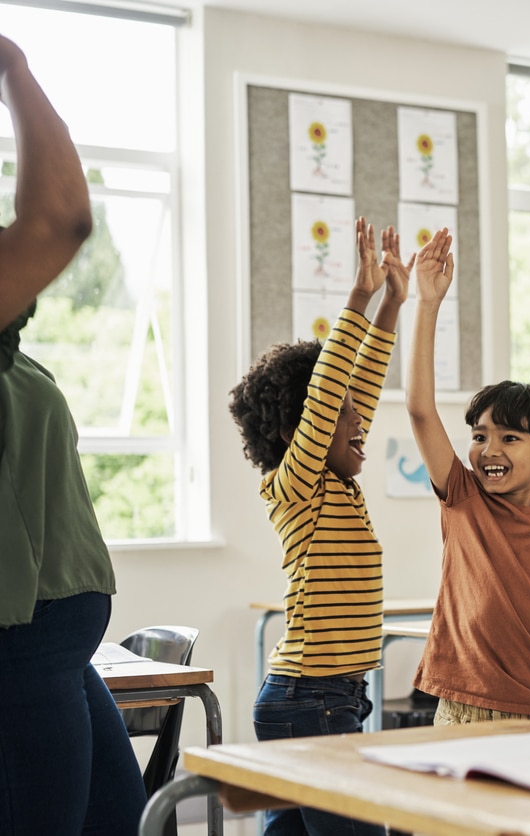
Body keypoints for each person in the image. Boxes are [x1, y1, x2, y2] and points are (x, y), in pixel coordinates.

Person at [0, 32, 149, 836]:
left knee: (117, 821)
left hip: (54, 644)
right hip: (17, 648)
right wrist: (13, 65)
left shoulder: (11, 348)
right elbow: (58, 220)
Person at [228, 218, 406, 836]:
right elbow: (332, 385)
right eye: (342, 418)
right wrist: (358, 296)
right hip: (311, 700)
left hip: (326, 697)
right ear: (293, 432)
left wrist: (393, 303)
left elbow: (358, 380)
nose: (360, 424)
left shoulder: (340, 487)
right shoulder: (297, 486)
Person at [406, 227, 530, 726]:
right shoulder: (463, 498)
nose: (489, 450)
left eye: (510, 438)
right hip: (461, 706)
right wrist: (427, 305)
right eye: (481, 435)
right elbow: (421, 410)